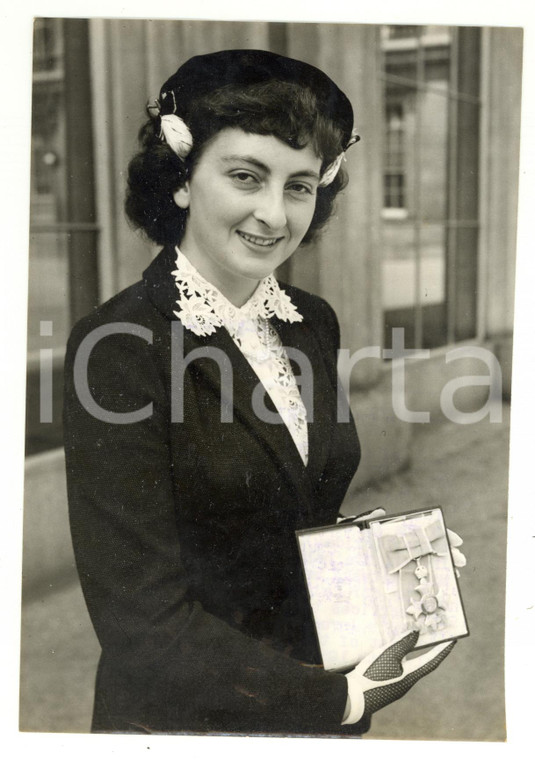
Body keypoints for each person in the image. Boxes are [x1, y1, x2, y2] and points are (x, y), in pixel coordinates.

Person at [64, 49, 460, 736]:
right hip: (186, 725)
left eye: (299, 185)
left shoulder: (309, 320)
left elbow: (285, 507)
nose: (273, 215)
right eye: (245, 177)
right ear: (183, 178)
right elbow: (144, 623)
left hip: (314, 704)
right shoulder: (119, 347)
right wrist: (337, 701)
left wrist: (389, 559)